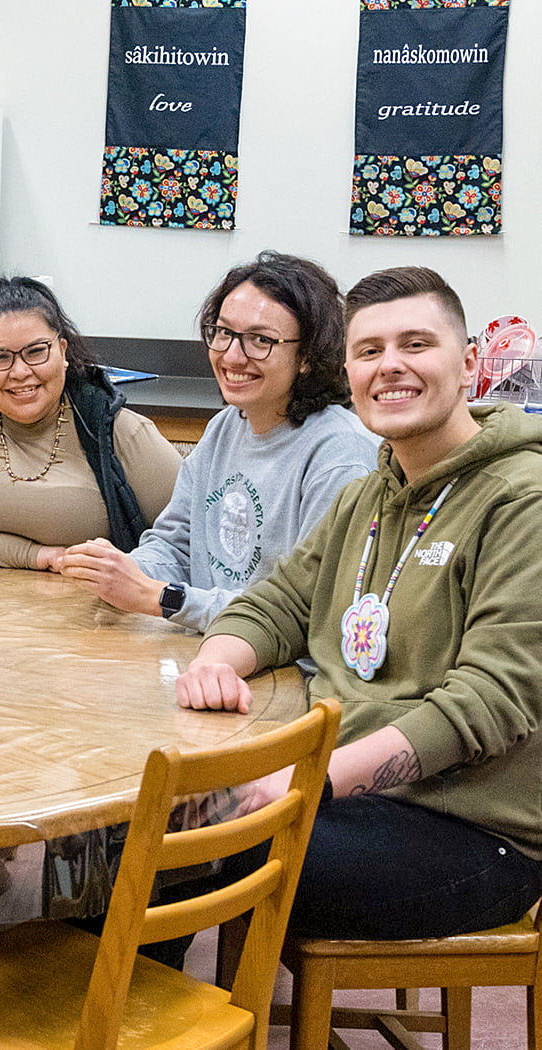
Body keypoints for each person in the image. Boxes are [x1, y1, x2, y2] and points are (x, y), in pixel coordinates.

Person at [178, 266, 542, 939]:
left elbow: (491, 700)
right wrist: (218, 661)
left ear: (467, 365)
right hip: (353, 797)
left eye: (415, 344)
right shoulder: (370, 495)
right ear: (347, 372)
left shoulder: (524, 500)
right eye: (369, 351)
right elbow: (279, 603)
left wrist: (306, 779)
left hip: (475, 831)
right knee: (142, 821)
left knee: (196, 847)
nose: (390, 367)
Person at [59, 251, 378, 631]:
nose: (232, 356)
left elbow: (308, 611)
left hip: (286, 668)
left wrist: (157, 596)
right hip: (212, 641)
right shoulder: (226, 426)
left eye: (260, 340)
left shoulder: (341, 455)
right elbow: (176, 544)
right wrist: (122, 571)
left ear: (307, 356)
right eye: (223, 333)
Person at [0, 276, 181, 570]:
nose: (20, 372)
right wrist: (37, 556)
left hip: (88, 612)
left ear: (62, 351)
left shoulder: (114, 427)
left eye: (36, 352)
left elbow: (190, 536)